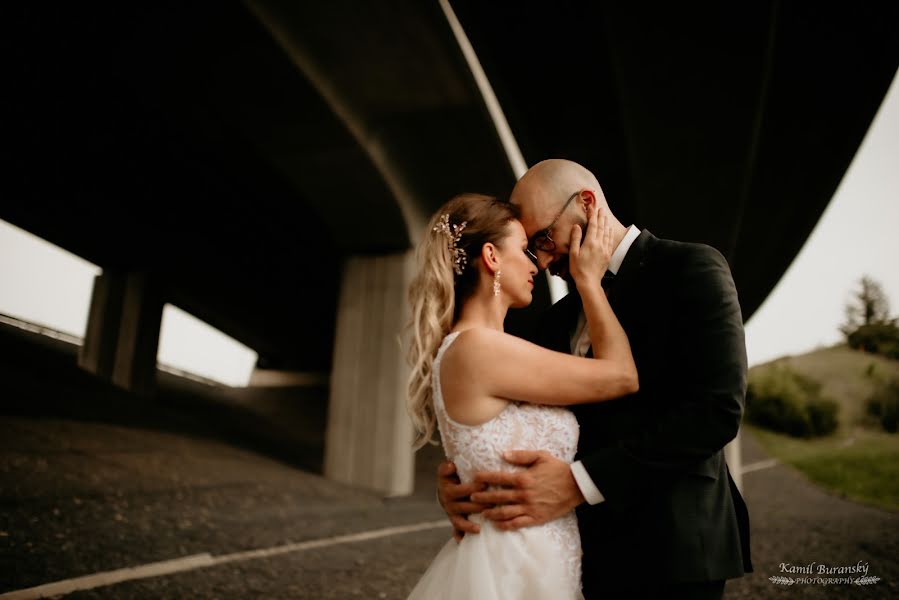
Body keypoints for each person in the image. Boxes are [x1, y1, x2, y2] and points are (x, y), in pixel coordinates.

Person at [438, 160, 753, 599]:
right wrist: (464, 479)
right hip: (581, 552)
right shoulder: (554, 320)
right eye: (533, 248)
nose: (544, 261)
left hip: (674, 548)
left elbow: (716, 410)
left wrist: (579, 482)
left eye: (545, 238)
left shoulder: (690, 268)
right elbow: (509, 413)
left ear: (586, 204)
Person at [406, 193, 638, 599]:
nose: (536, 264)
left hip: (538, 560)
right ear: (492, 257)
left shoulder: (493, 347)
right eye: (524, 250)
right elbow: (620, 376)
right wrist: (589, 282)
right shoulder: (479, 349)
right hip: (509, 570)